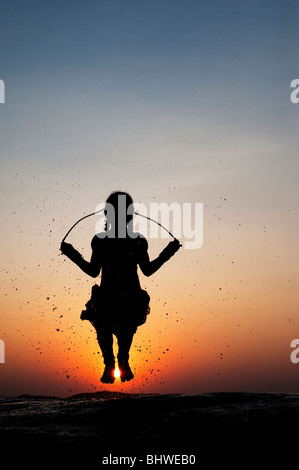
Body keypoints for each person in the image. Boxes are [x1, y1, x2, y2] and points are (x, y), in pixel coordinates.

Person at [60, 191, 181, 384]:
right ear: (130, 215)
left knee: (104, 328)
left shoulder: (101, 240)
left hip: (108, 294)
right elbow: (148, 271)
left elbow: (92, 271)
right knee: (126, 329)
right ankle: (122, 361)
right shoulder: (137, 240)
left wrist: (72, 254)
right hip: (130, 294)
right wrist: (168, 253)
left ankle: (110, 364)